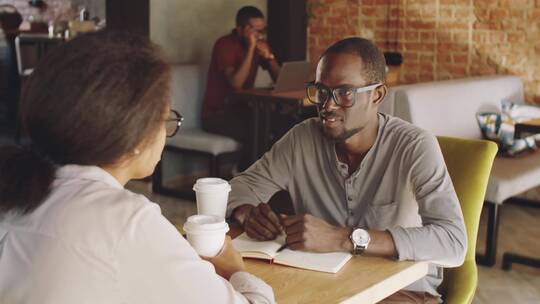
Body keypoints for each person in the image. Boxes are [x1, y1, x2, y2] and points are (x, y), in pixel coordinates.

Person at [0, 31, 274, 304]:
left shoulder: (16, 191)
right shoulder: (125, 221)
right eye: (165, 118)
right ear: (135, 136)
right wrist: (235, 269)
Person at [226, 37, 467, 303]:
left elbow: (453, 242)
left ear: (377, 95)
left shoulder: (415, 146)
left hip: (400, 291)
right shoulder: (302, 138)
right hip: (323, 285)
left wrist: (344, 238)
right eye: (321, 91)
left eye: (344, 93)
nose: (327, 105)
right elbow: (240, 186)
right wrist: (246, 212)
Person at [202, 5, 280, 171]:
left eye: (262, 30)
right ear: (240, 29)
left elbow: (279, 79)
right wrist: (251, 49)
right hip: (216, 114)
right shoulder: (224, 45)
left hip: (243, 111)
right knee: (257, 129)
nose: (259, 35)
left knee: (276, 124)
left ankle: (261, 175)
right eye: (255, 31)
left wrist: (269, 57)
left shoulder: (261, 44)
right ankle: (245, 174)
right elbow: (236, 84)